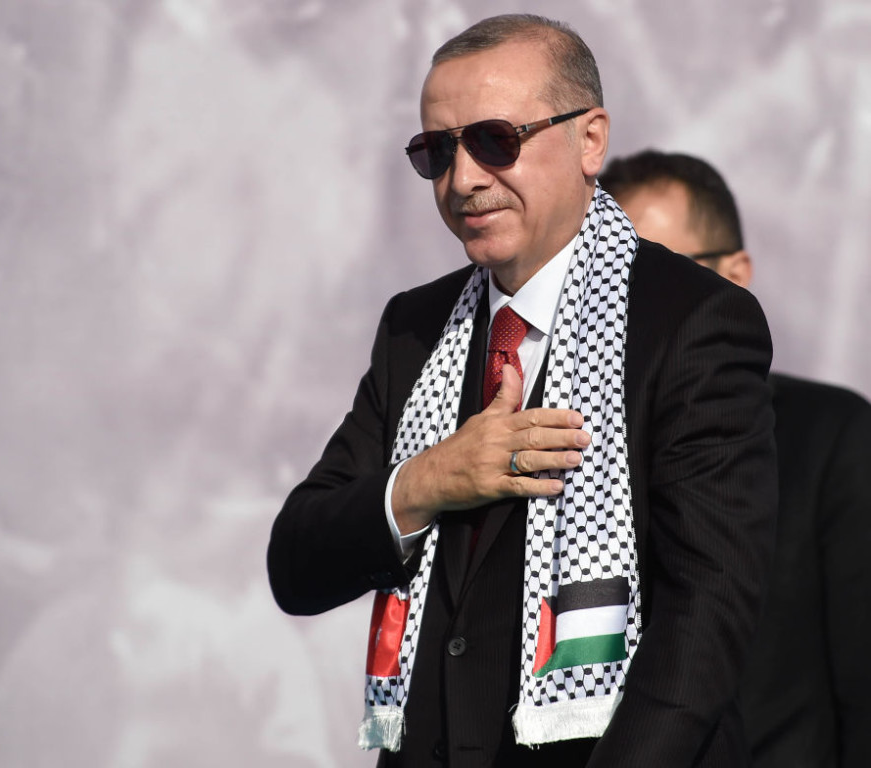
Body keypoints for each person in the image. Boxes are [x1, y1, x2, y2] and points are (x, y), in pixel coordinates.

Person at [268, 15, 777, 767]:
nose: (464, 178)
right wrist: (432, 478)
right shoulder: (416, 328)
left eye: (495, 139)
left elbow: (707, 613)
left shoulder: (690, 321)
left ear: (590, 141)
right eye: (436, 151)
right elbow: (297, 565)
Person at [600, 149, 871, 768]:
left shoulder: (831, 434)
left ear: (736, 274)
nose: (627, 305)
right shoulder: (565, 443)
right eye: (604, 279)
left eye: (659, 276)